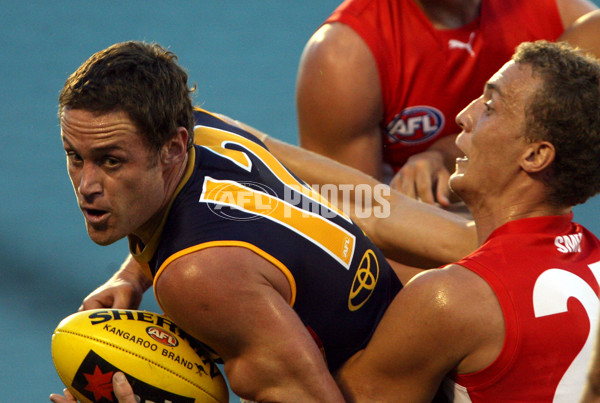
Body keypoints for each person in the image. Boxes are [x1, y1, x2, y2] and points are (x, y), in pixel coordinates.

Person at [49, 40, 478, 403]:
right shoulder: (211, 132)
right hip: (449, 322)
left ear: (172, 148)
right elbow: (367, 201)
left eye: (111, 161)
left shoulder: (194, 277)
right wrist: (132, 273)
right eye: (74, 156)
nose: (87, 185)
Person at [296, 0, 600, 206]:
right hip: (409, 249)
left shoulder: (566, 19)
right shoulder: (344, 54)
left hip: (518, 229)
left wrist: (440, 156)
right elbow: (351, 221)